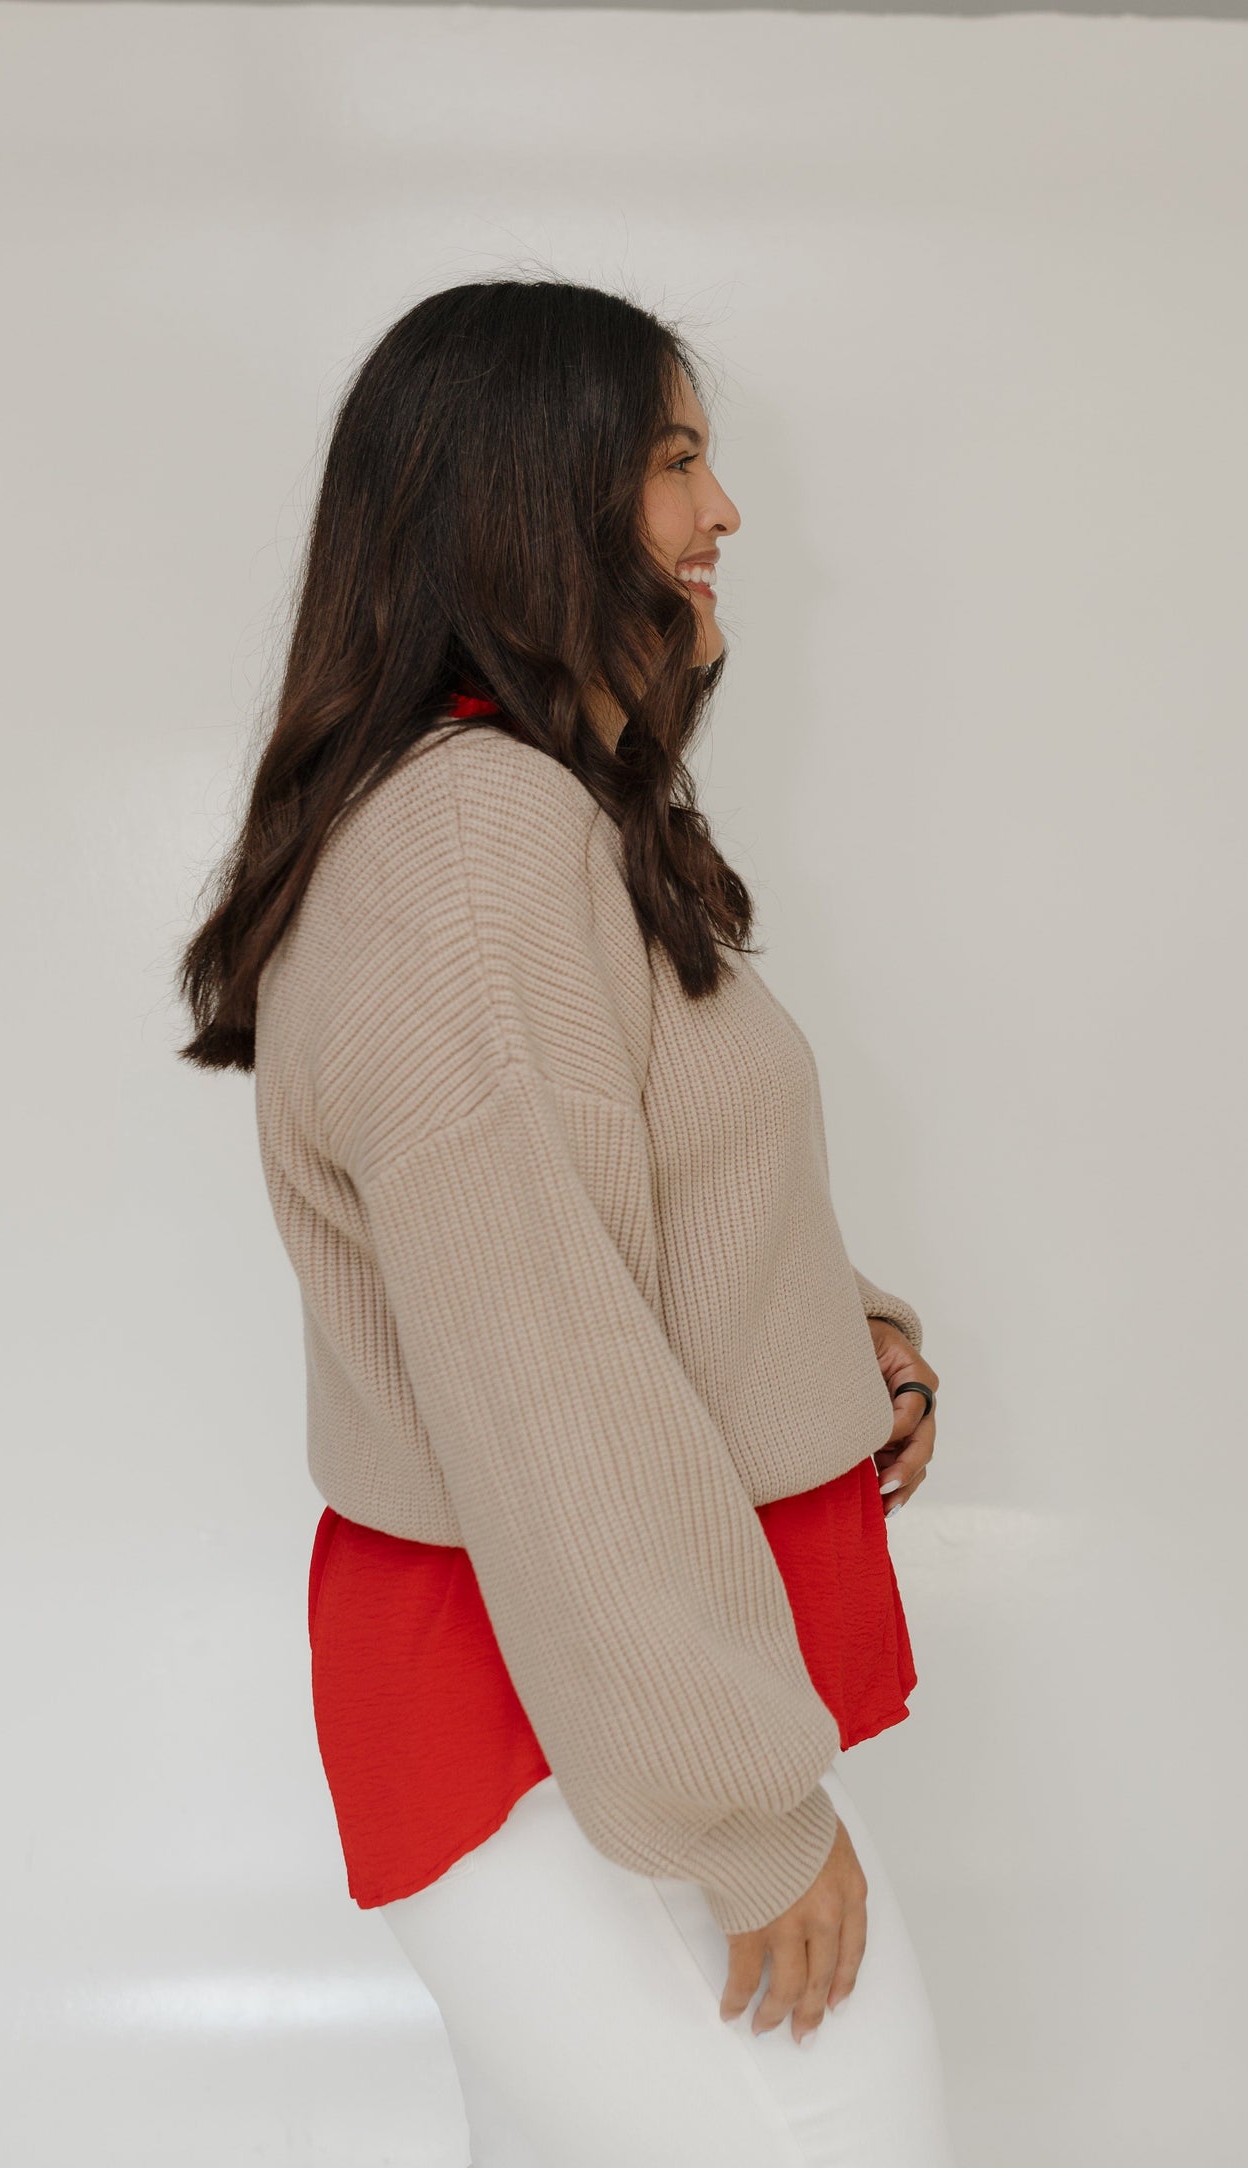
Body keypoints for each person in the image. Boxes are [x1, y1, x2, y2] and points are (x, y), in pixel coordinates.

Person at [177, 277, 956, 2166]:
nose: (722, 515)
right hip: (558, 1707)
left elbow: (595, 1213)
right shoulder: (473, 850)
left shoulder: (534, 814)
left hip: (598, 1667)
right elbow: (546, 1389)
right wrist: (744, 1812)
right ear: (539, 501)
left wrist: (818, 1327)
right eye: (678, 460)